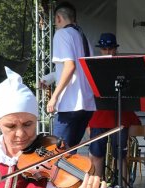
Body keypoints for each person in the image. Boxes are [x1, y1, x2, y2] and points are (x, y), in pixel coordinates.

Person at [87, 33, 140, 188]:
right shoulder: (93, 66)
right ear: (100, 49)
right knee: (96, 153)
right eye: (104, 48)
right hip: (99, 115)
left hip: (119, 114)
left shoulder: (123, 66)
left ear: (116, 49)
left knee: (121, 155)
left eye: (111, 48)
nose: (108, 51)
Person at [43, 1, 96, 147]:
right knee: (70, 153)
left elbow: (70, 66)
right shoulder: (83, 37)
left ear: (59, 18)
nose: (55, 24)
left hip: (69, 103)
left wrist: (54, 97)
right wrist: (52, 77)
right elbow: (80, 69)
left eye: (55, 21)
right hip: (86, 104)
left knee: (56, 153)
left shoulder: (61, 34)